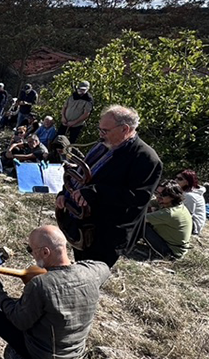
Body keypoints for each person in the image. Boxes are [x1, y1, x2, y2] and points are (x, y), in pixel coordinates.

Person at [0, 225, 110, 359]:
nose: (32, 255)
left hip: (42, 356)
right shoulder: (92, 273)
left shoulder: (40, 285)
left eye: (31, 250)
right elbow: (104, 267)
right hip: (73, 353)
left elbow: (18, 321)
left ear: (45, 252)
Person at [56, 105, 162, 267]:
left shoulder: (146, 158)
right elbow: (81, 173)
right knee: (80, 266)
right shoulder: (103, 145)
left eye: (105, 130)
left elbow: (138, 197)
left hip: (107, 233)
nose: (100, 134)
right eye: (100, 129)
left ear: (125, 129)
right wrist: (65, 193)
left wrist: (94, 192)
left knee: (92, 274)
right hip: (83, 222)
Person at [143, 180, 192, 259]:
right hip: (177, 247)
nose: (158, 197)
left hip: (171, 251)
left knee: (141, 225)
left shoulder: (170, 213)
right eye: (156, 193)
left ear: (173, 196)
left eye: (163, 195)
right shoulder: (174, 204)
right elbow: (145, 203)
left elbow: (139, 219)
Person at [175, 169, 206, 235]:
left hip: (194, 225)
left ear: (187, 182)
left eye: (180, 179)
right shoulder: (183, 190)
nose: (176, 180)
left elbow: (186, 215)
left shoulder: (189, 196)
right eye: (176, 178)